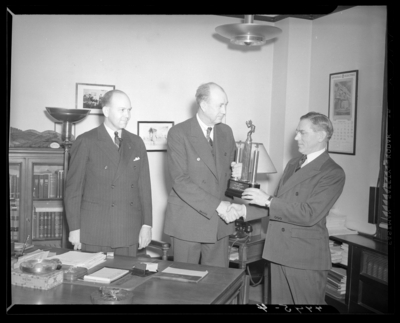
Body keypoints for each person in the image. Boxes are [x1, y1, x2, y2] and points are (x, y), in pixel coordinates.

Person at [234, 111, 346, 304]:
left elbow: (309, 214)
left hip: (304, 258)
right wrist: (242, 211)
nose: (296, 138)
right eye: (297, 132)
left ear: (320, 136)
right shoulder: (294, 164)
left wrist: (268, 200)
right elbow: (278, 203)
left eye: (302, 133)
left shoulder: (332, 172)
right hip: (279, 250)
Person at [163, 82, 246, 267]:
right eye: (220, 105)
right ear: (203, 105)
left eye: (226, 105)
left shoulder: (226, 132)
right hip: (188, 221)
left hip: (219, 223)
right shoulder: (179, 133)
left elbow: (226, 178)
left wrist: (238, 174)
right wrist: (218, 205)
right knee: (185, 283)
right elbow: (180, 181)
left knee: (218, 284)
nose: (224, 111)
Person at [65, 89, 152, 256]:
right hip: (95, 230)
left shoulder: (137, 142)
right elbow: (73, 190)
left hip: (128, 229)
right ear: (106, 111)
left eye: (129, 110)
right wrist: (74, 228)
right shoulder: (86, 141)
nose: (127, 115)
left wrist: (147, 225)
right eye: (121, 110)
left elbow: (144, 187)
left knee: (126, 280)